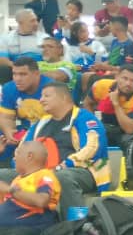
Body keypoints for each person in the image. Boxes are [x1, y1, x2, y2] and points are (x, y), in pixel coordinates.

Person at [15, 82, 109, 211]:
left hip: (83, 171)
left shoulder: (85, 118)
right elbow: (22, 149)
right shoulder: (41, 123)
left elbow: (92, 149)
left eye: (47, 96)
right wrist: (23, 168)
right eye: (41, 96)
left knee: (62, 177)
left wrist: (62, 166)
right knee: (2, 175)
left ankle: (77, 221)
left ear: (63, 98)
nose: (41, 100)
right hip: (40, 173)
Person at [0, 141, 60, 235]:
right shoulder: (18, 180)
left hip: (32, 231)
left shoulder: (45, 176)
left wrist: (11, 190)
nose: (14, 158)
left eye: (17, 153)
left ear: (29, 156)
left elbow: (41, 201)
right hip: (9, 230)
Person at [0, 59, 52, 163]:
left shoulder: (52, 89)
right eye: (14, 74)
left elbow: (59, 121)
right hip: (23, 129)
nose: (17, 79)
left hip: (47, 132)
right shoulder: (9, 88)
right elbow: (6, 117)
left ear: (36, 74)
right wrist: (9, 132)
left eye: (23, 74)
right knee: (3, 137)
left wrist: (30, 136)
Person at [85, 65, 133, 149]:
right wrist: (93, 122)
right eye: (125, 78)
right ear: (117, 77)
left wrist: (116, 104)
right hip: (100, 124)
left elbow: (130, 129)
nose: (128, 84)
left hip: (121, 130)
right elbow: (87, 103)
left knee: (132, 140)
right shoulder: (101, 85)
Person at [0, 9, 49, 82]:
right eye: (32, 21)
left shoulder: (45, 37)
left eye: (36, 20)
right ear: (20, 22)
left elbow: (52, 58)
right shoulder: (6, 38)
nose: (36, 23)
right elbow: (2, 60)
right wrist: (20, 68)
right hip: (15, 70)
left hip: (39, 70)